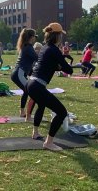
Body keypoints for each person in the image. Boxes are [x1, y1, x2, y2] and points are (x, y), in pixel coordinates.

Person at [26, 22, 75, 151]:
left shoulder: (44, 47)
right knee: (61, 112)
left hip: (31, 83)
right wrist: (63, 65)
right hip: (37, 85)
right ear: (57, 36)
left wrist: (57, 65)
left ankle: (35, 132)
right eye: (61, 35)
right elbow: (69, 70)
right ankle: (48, 142)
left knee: (41, 105)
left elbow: (47, 64)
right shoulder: (54, 49)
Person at [10, 28, 39, 119]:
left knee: (26, 91)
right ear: (31, 37)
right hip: (19, 73)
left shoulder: (26, 46)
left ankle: (23, 112)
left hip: (18, 73)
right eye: (34, 36)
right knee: (32, 92)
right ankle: (27, 115)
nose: (35, 38)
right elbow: (38, 59)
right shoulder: (28, 48)